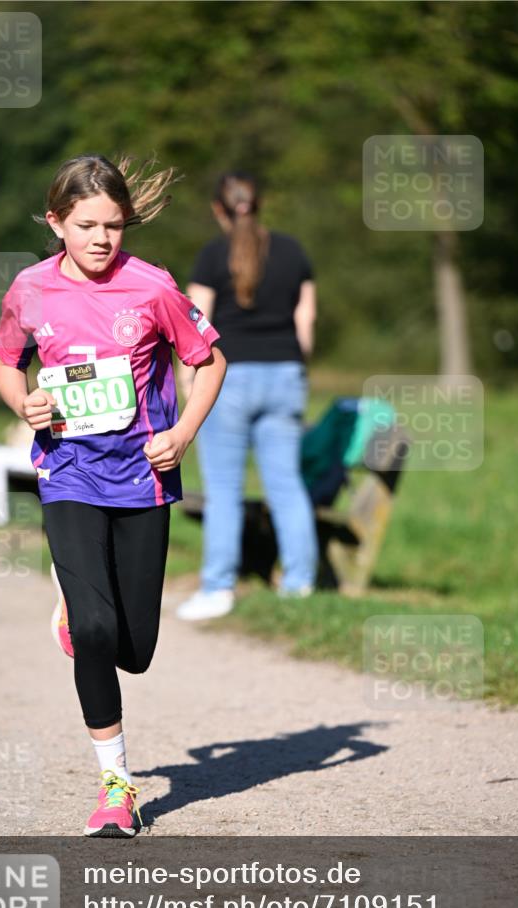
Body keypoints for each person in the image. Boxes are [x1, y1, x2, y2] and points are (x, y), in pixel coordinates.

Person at [0, 154, 226, 836]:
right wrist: (25, 405)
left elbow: (209, 361)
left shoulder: (152, 287)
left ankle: (81, 607)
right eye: (87, 225)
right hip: (67, 471)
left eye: (114, 226)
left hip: (143, 477)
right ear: (56, 222)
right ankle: (115, 788)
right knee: (96, 634)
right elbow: (9, 364)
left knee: (135, 647)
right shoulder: (29, 290)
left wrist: (183, 432)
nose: (101, 240)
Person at [176, 172, 318, 621]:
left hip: (228, 379)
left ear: (218, 209)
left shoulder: (210, 256)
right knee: (287, 485)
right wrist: (291, 367)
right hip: (285, 376)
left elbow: (193, 327)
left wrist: (188, 384)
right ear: (260, 204)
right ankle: (299, 585)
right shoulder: (294, 251)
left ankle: (218, 588)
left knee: (223, 491)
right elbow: (306, 326)